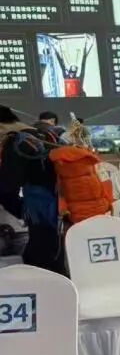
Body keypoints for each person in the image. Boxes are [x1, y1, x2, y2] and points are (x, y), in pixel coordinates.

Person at [0, 106, 64, 273]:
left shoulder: (17, 141)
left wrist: (20, 209)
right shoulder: (49, 135)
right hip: (62, 207)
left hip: (40, 210)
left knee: (40, 260)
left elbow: (8, 185)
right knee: (57, 255)